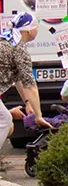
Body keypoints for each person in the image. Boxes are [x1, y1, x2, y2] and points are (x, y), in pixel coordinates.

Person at [1, 13, 51, 146]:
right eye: (37, 27)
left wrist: (28, 102)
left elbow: (18, 79)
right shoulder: (19, 49)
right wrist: (39, 115)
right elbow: (29, 85)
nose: (38, 30)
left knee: (6, 122)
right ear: (29, 30)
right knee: (5, 121)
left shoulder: (8, 40)